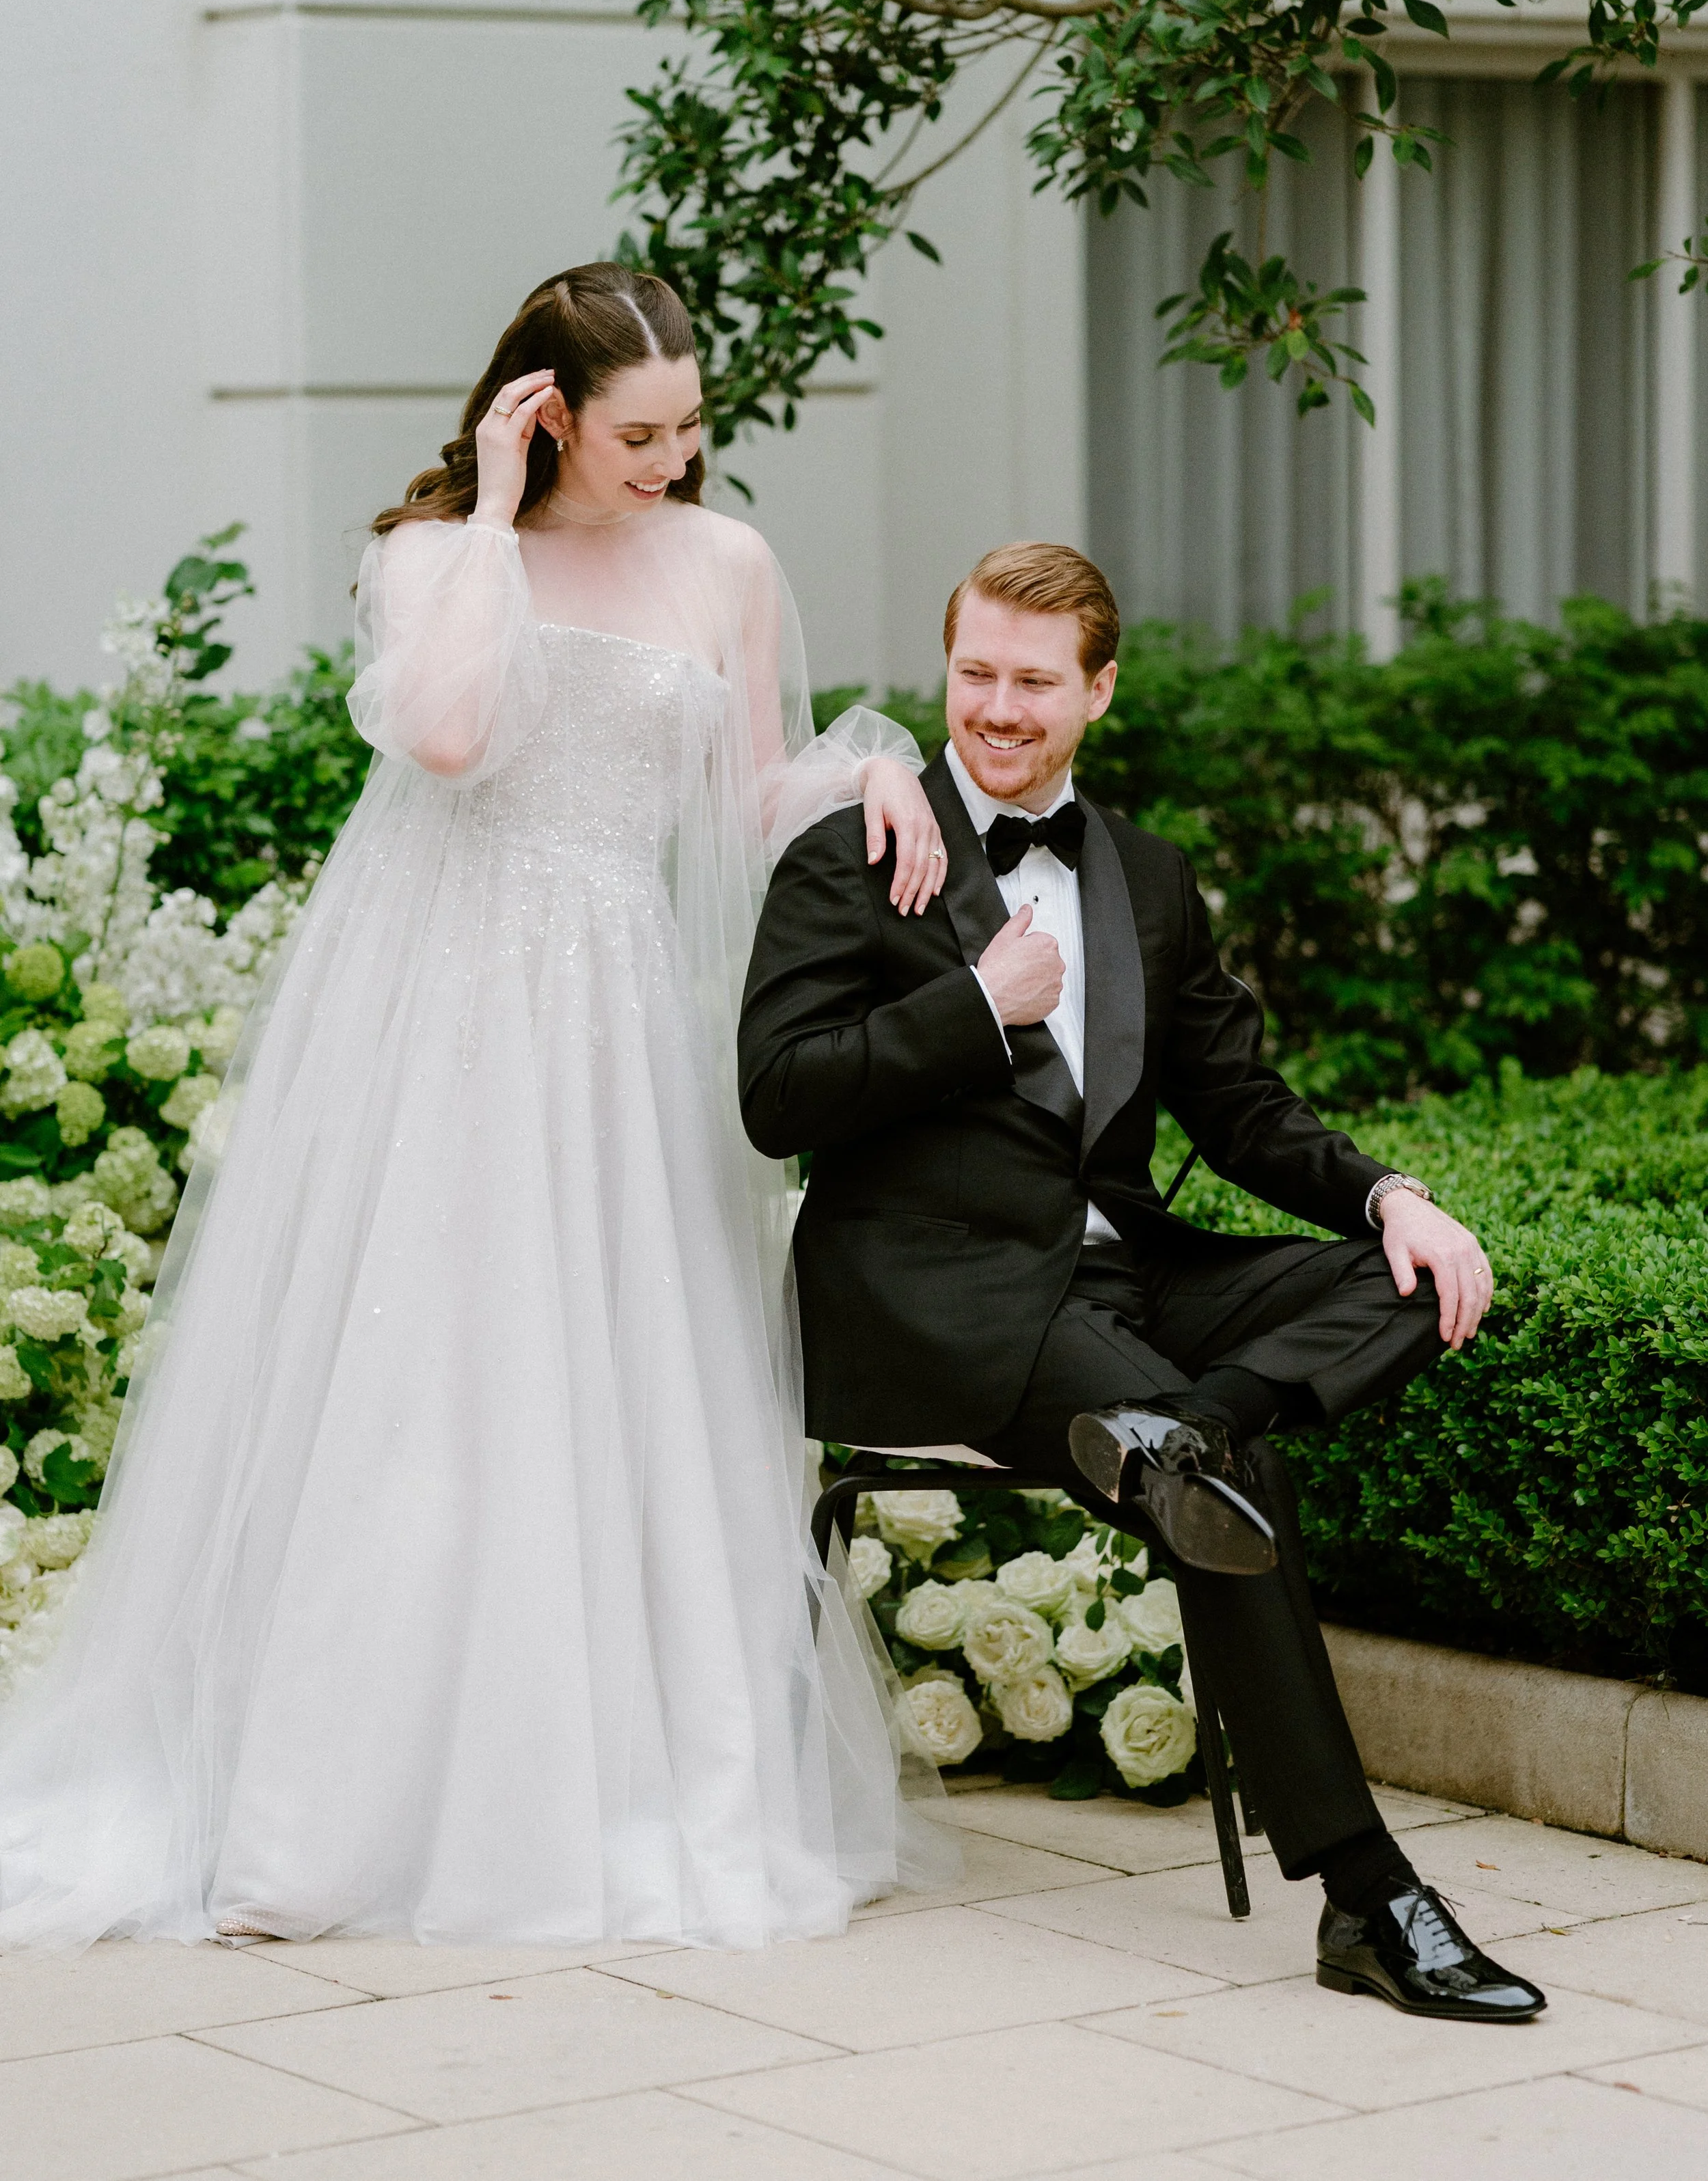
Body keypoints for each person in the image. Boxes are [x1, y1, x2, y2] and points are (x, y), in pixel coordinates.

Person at [0, 262, 954, 1951]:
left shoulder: (726, 562)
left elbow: (742, 798)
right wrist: (499, 519)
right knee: (413, 1369)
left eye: (690, 429)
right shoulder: (436, 558)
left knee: (598, 1371)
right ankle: (329, 1797)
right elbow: (445, 739)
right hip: (433, 1008)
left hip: (606, 1011)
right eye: (637, 432)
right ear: (548, 409)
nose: (670, 461)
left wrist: (873, 763)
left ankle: (596, 1775)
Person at [739, 539, 1547, 2023]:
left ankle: (1187, 1427)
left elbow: (1239, 1109)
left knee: (1399, 1283)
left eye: (1031, 681)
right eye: (973, 672)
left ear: (1098, 690)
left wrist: (1390, 1196)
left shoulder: (1148, 879)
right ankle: (1370, 1899)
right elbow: (776, 1098)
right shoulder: (854, 856)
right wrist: (973, 1012)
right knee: (1235, 1493)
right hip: (935, 1300)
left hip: (1122, 1284)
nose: (994, 706)